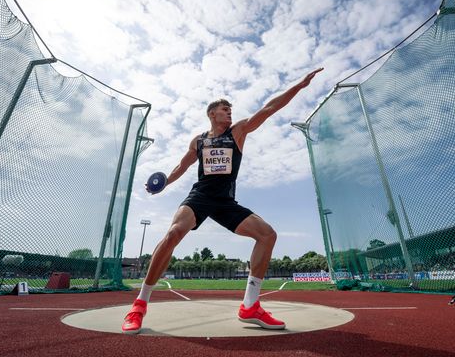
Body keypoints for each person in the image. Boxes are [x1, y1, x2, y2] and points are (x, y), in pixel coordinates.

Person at [122, 68, 323, 334]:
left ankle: (250, 306)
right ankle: (139, 306)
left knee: (267, 235)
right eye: (225, 109)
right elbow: (181, 166)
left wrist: (299, 86)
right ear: (212, 114)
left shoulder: (238, 131)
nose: (230, 112)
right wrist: (165, 184)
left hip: (225, 201)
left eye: (230, 109)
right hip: (200, 196)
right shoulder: (199, 141)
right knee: (173, 233)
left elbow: (269, 108)